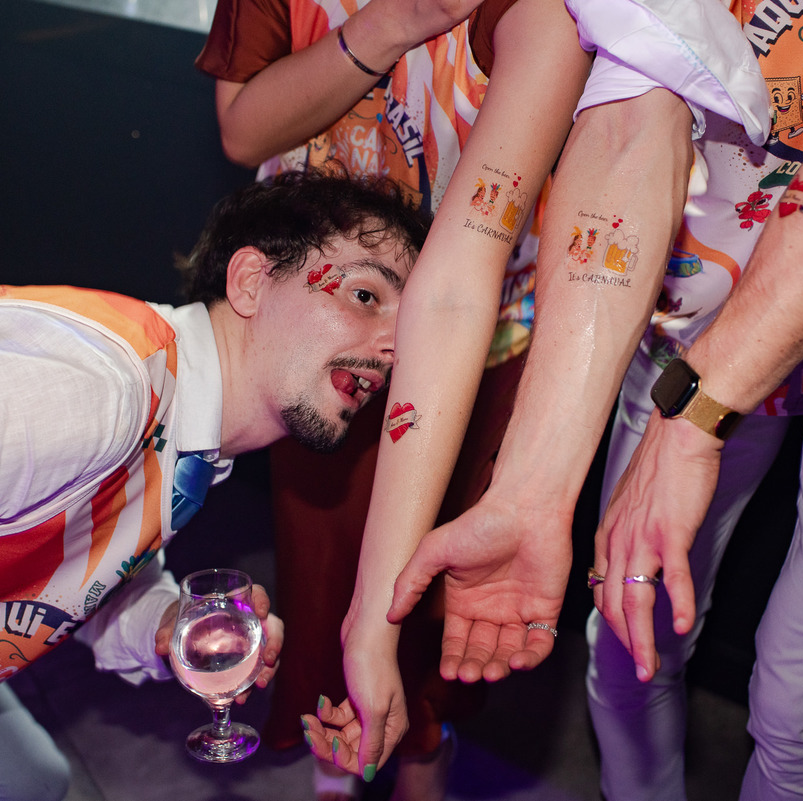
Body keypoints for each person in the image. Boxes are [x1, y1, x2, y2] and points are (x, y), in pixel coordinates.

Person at [389, 0, 803, 799]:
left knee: (802, 701)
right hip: (704, 274)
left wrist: (693, 419)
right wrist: (530, 491)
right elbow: (629, 112)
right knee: (626, 642)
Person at [0, 170, 428, 801]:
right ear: (250, 281)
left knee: (28, 783)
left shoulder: (181, 431)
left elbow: (70, 565)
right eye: (365, 295)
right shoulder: (94, 390)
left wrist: (167, 624)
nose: (393, 349)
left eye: (410, 328)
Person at [198, 0, 591, 795]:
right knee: (321, 581)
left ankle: (422, 749)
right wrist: (396, 22)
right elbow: (242, 130)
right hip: (320, 322)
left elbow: (454, 288)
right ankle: (334, 766)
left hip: (485, 329)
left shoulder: (539, 17)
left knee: (444, 584)